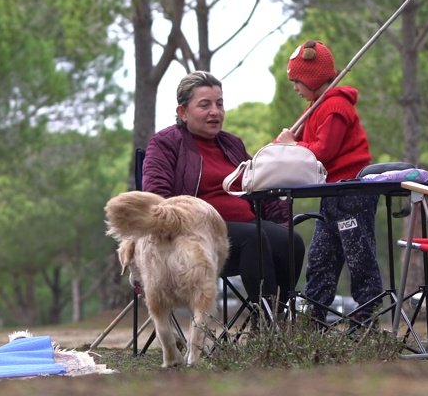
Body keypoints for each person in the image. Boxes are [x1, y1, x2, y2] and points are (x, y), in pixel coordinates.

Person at [142, 71, 304, 306]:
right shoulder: (165, 143)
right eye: (204, 105)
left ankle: (275, 318)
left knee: (290, 240)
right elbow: (158, 197)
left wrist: (282, 221)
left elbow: (259, 182)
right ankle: (268, 324)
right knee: (255, 238)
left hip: (246, 229)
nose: (215, 112)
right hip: (194, 235)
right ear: (183, 112)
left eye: (219, 104)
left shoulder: (232, 143)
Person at [275, 40, 381, 324]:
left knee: (359, 258)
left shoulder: (335, 107)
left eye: (297, 81)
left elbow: (322, 151)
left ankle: (366, 317)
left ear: (312, 79)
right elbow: (298, 144)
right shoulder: (315, 106)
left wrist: (293, 145)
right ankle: (314, 318)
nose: (295, 88)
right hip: (331, 194)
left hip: (352, 193)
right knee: (321, 259)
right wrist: (281, 146)